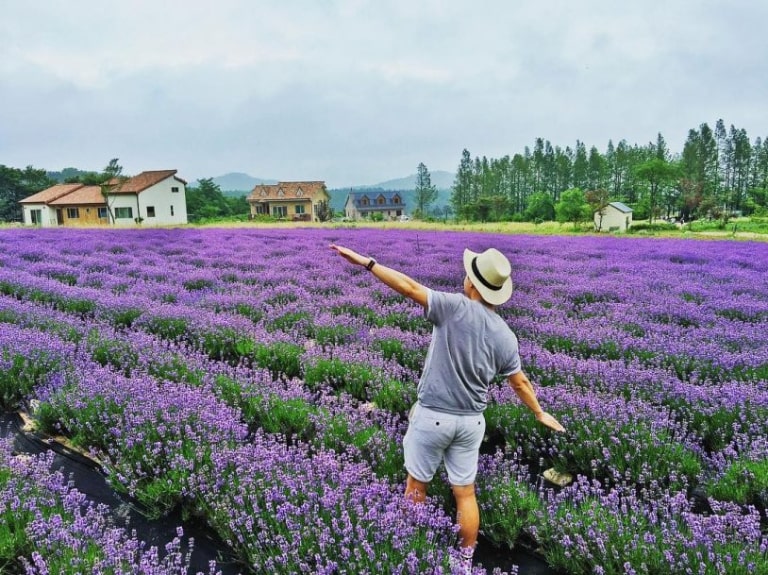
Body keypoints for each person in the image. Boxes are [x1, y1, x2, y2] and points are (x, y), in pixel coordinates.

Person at [329, 243, 565, 573]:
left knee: (416, 486)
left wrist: (367, 263)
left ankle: (411, 548)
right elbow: (520, 383)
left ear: (472, 284)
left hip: (433, 418)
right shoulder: (506, 336)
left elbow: (409, 287)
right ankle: (465, 561)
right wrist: (539, 412)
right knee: (465, 495)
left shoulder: (453, 307)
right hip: (471, 424)